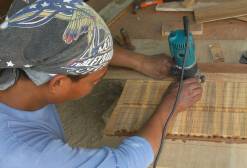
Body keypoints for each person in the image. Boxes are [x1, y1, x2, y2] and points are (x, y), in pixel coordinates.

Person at [0, 0, 203, 167]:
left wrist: (140, 61)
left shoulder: (16, 49)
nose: (97, 82)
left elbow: (80, 44)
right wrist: (170, 107)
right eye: (96, 80)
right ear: (58, 83)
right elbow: (125, 162)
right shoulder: (26, 154)